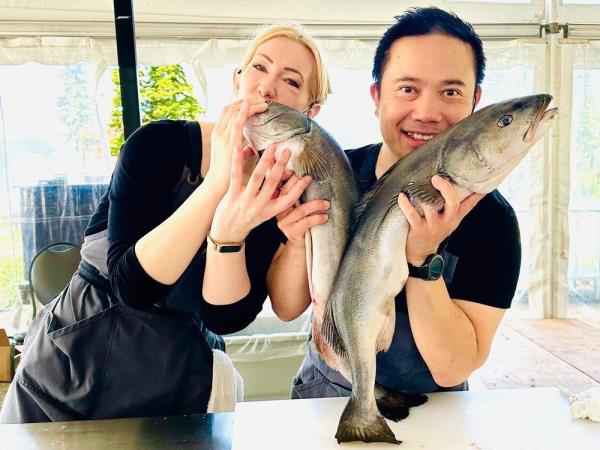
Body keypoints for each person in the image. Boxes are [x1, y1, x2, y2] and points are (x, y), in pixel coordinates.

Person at [0, 23, 331, 424]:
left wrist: (236, 234)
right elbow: (131, 285)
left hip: (177, 374)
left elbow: (226, 317)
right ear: (237, 79)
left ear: (309, 113)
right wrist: (217, 187)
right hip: (77, 353)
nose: (267, 88)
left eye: (291, 81)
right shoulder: (156, 145)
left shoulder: (283, 191)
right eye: (259, 68)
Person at [291, 7, 521, 398]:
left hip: (434, 415)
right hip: (322, 397)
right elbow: (290, 304)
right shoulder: (327, 175)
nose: (427, 113)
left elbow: (454, 367)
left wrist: (423, 259)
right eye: (407, 89)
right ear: (377, 97)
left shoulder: (493, 220)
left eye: (450, 92)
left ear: (475, 102)